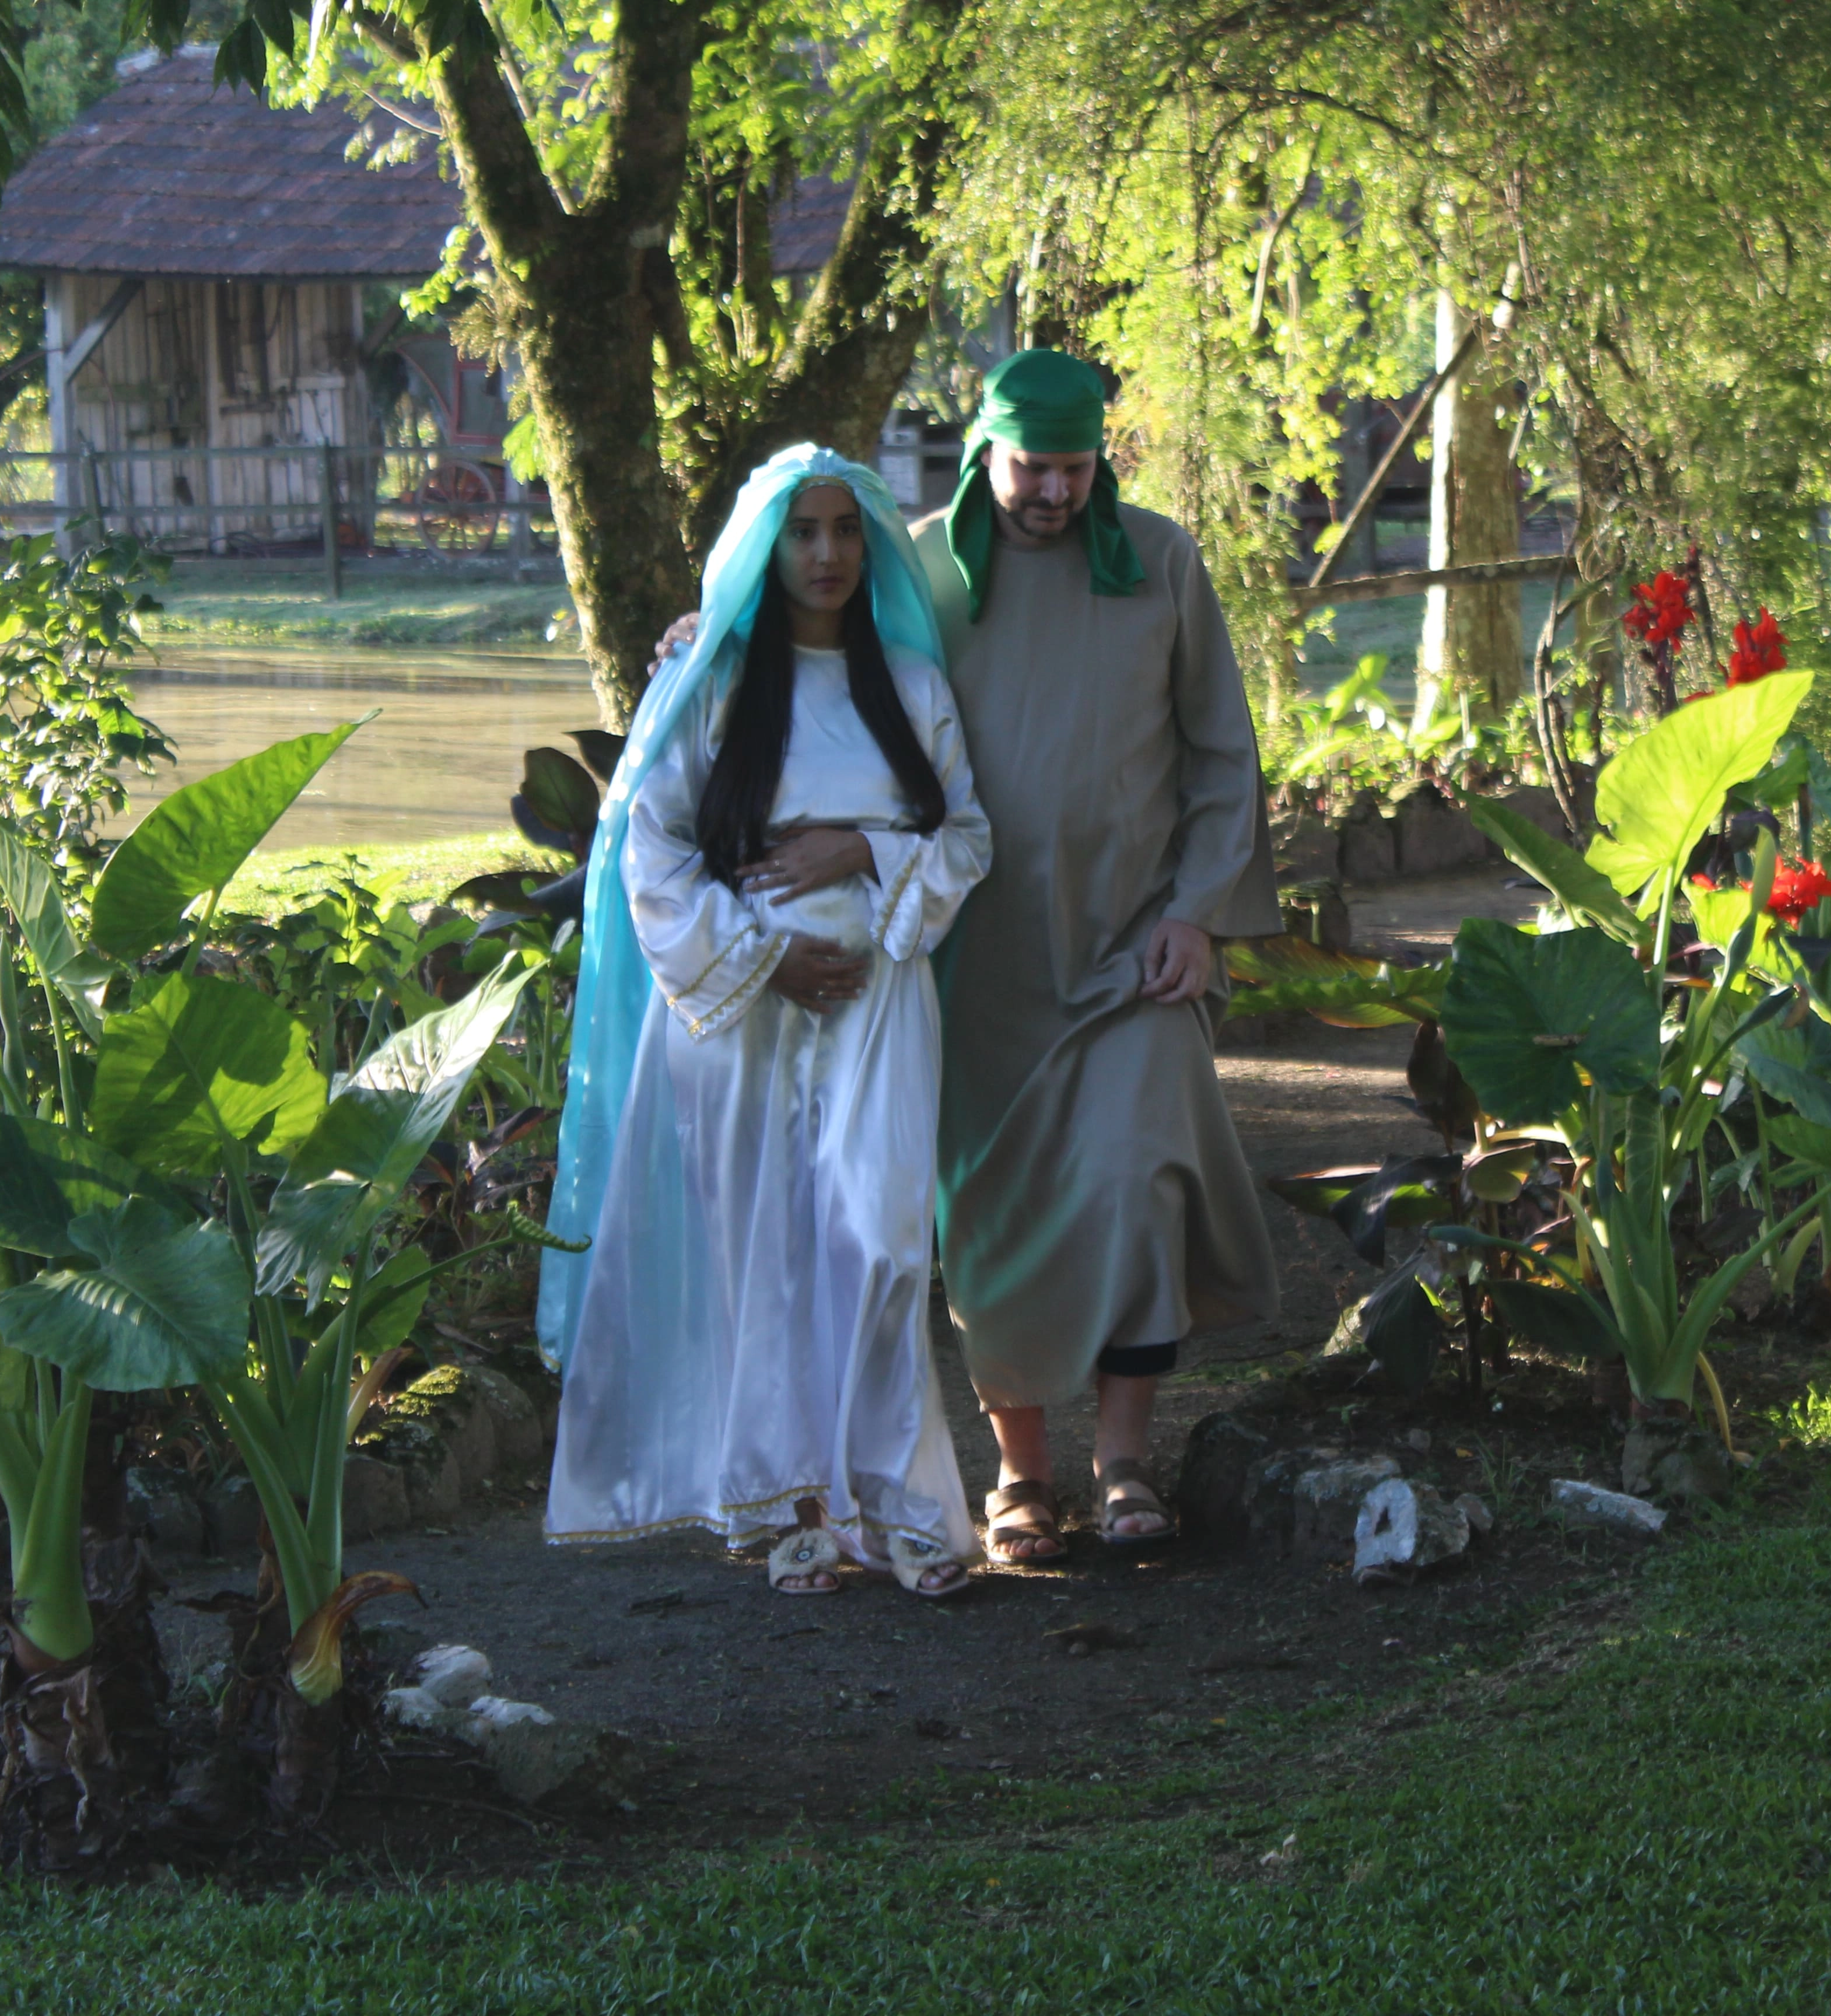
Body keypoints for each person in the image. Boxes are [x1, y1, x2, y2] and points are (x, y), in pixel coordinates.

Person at [537, 445, 992, 1598]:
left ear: (872, 543)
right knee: (769, 1254)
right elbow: (651, 849)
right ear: (765, 547)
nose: (828, 554)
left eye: (846, 530)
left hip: (885, 996)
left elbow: (969, 838)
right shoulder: (712, 685)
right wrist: (765, 957)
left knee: (885, 1241)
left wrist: (867, 850)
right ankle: (789, 1510)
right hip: (743, 1013)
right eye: (803, 533)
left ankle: (896, 1505)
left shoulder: (913, 686)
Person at [910, 349, 1282, 1564]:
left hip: (1137, 953)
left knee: (1135, 1181)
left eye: (1074, 468)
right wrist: (708, 634)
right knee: (993, 1223)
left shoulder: (1162, 561)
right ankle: (1023, 1479)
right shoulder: (916, 571)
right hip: (978, 970)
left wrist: (1197, 913)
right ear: (985, 451)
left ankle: (1125, 1462)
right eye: (1031, 467)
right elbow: (812, 657)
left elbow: (1222, 754)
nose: (1054, 493)